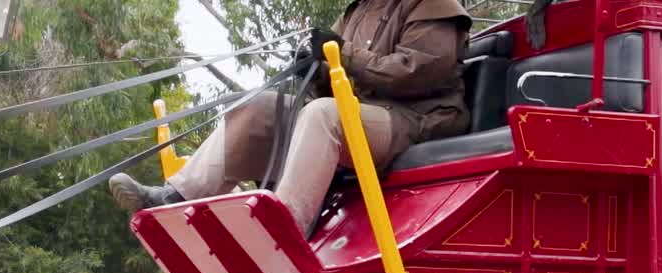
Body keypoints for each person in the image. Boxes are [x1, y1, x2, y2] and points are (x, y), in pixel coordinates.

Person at [108, 0, 472, 236]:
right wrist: (310, 68)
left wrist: (342, 57)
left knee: (322, 115)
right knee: (254, 105)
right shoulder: (359, 9)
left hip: (414, 120)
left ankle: (284, 227)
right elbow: (334, 71)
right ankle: (177, 195)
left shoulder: (434, 5)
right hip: (359, 111)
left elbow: (416, 71)